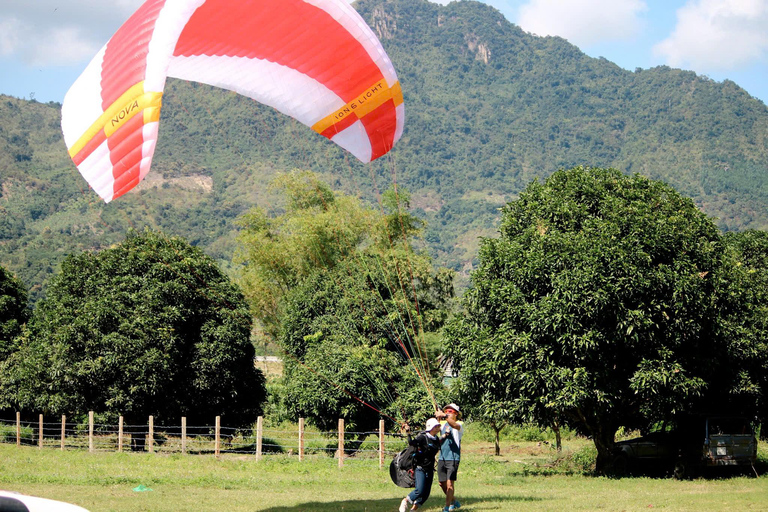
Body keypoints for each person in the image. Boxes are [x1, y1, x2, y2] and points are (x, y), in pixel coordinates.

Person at [399, 418, 443, 512]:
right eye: (436, 426)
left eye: (438, 426)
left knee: (426, 493)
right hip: (420, 468)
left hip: (430, 468)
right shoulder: (423, 437)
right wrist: (408, 433)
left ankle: (413, 510)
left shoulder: (436, 439)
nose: (438, 428)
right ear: (431, 427)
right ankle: (405, 501)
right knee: (419, 490)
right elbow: (412, 443)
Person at [436, 403, 463, 512]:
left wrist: (444, 416)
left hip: (453, 457)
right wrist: (437, 418)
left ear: (456, 414)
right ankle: (454, 501)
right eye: (446, 411)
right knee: (441, 483)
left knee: (449, 484)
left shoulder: (460, 424)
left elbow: (454, 426)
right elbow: (435, 431)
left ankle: (447, 507)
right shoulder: (443, 425)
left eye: (450, 412)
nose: (447, 413)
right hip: (442, 457)